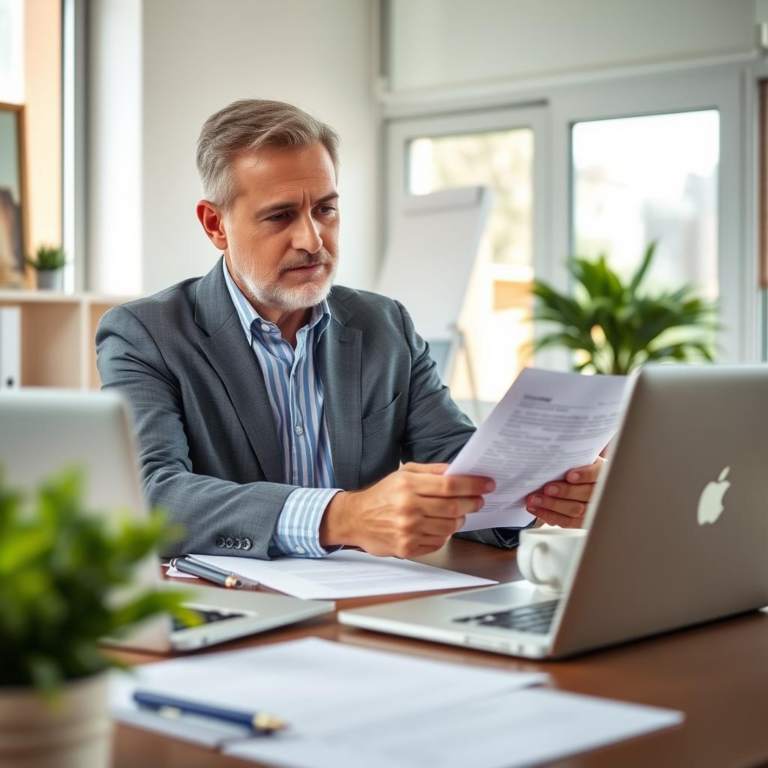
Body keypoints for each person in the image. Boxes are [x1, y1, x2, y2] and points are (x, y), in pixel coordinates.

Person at [96, 99, 603, 561]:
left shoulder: (385, 326)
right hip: (236, 612)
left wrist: (538, 494)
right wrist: (343, 517)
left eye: (326, 209)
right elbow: (152, 494)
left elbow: (459, 463)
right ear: (215, 225)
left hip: (370, 608)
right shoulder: (145, 335)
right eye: (280, 216)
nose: (313, 240)